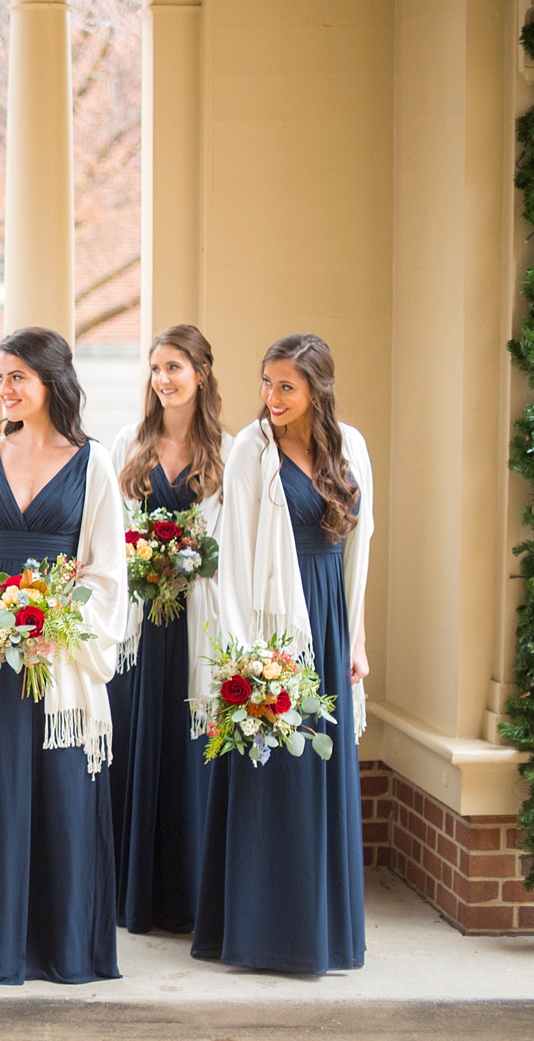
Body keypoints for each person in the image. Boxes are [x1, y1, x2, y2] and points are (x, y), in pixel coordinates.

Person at [0, 327, 127, 985]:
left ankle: (61, 943)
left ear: (50, 383)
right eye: (0, 375)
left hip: (59, 654)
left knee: (62, 789)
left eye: (18, 377)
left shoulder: (93, 464)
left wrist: (57, 625)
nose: (4, 389)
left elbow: (107, 571)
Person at [193, 332, 373, 974]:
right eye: (266, 384)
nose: (271, 397)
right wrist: (245, 655)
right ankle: (260, 934)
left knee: (321, 777)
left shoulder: (350, 447)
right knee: (273, 777)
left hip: (327, 623)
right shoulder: (250, 451)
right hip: (270, 632)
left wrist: (355, 640)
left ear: (316, 390)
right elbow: (231, 560)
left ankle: (322, 935)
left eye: (286, 386)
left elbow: (360, 548)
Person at [107, 325, 232, 934]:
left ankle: (187, 896)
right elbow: (108, 535)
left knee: (189, 748)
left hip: (196, 622)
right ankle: (134, 896)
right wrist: (143, 560)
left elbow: (233, 544)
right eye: (156, 368)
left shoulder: (228, 452)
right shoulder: (127, 446)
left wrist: (189, 558)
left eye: (175, 367)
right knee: (138, 742)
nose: (163, 379)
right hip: (139, 627)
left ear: (201, 374)